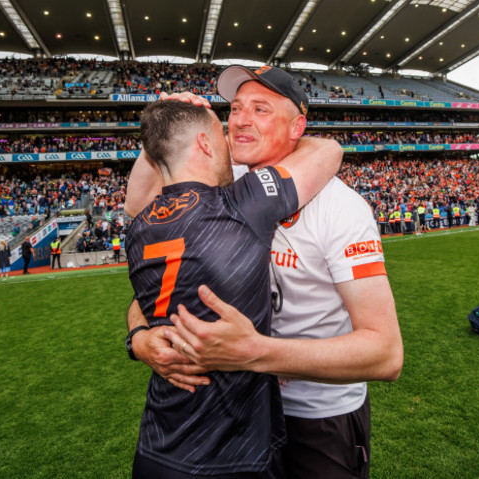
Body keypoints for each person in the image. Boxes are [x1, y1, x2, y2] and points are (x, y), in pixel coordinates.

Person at [126, 65, 403, 479]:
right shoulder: (221, 185)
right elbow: (153, 282)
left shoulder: (341, 208)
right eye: (235, 108)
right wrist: (141, 338)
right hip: (238, 417)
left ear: (297, 127)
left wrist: (256, 353)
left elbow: (385, 353)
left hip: (316, 419)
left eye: (260, 109)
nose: (239, 120)